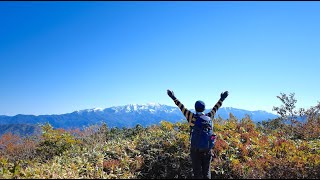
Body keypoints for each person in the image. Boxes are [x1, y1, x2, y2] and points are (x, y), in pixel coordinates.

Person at [167, 89, 229, 179]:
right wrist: (222, 98)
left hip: (195, 150)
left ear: (195, 108)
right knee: (207, 172)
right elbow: (216, 107)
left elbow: (181, 106)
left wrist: (172, 96)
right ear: (204, 108)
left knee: (197, 173)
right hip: (207, 150)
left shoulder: (191, 116)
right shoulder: (209, 116)